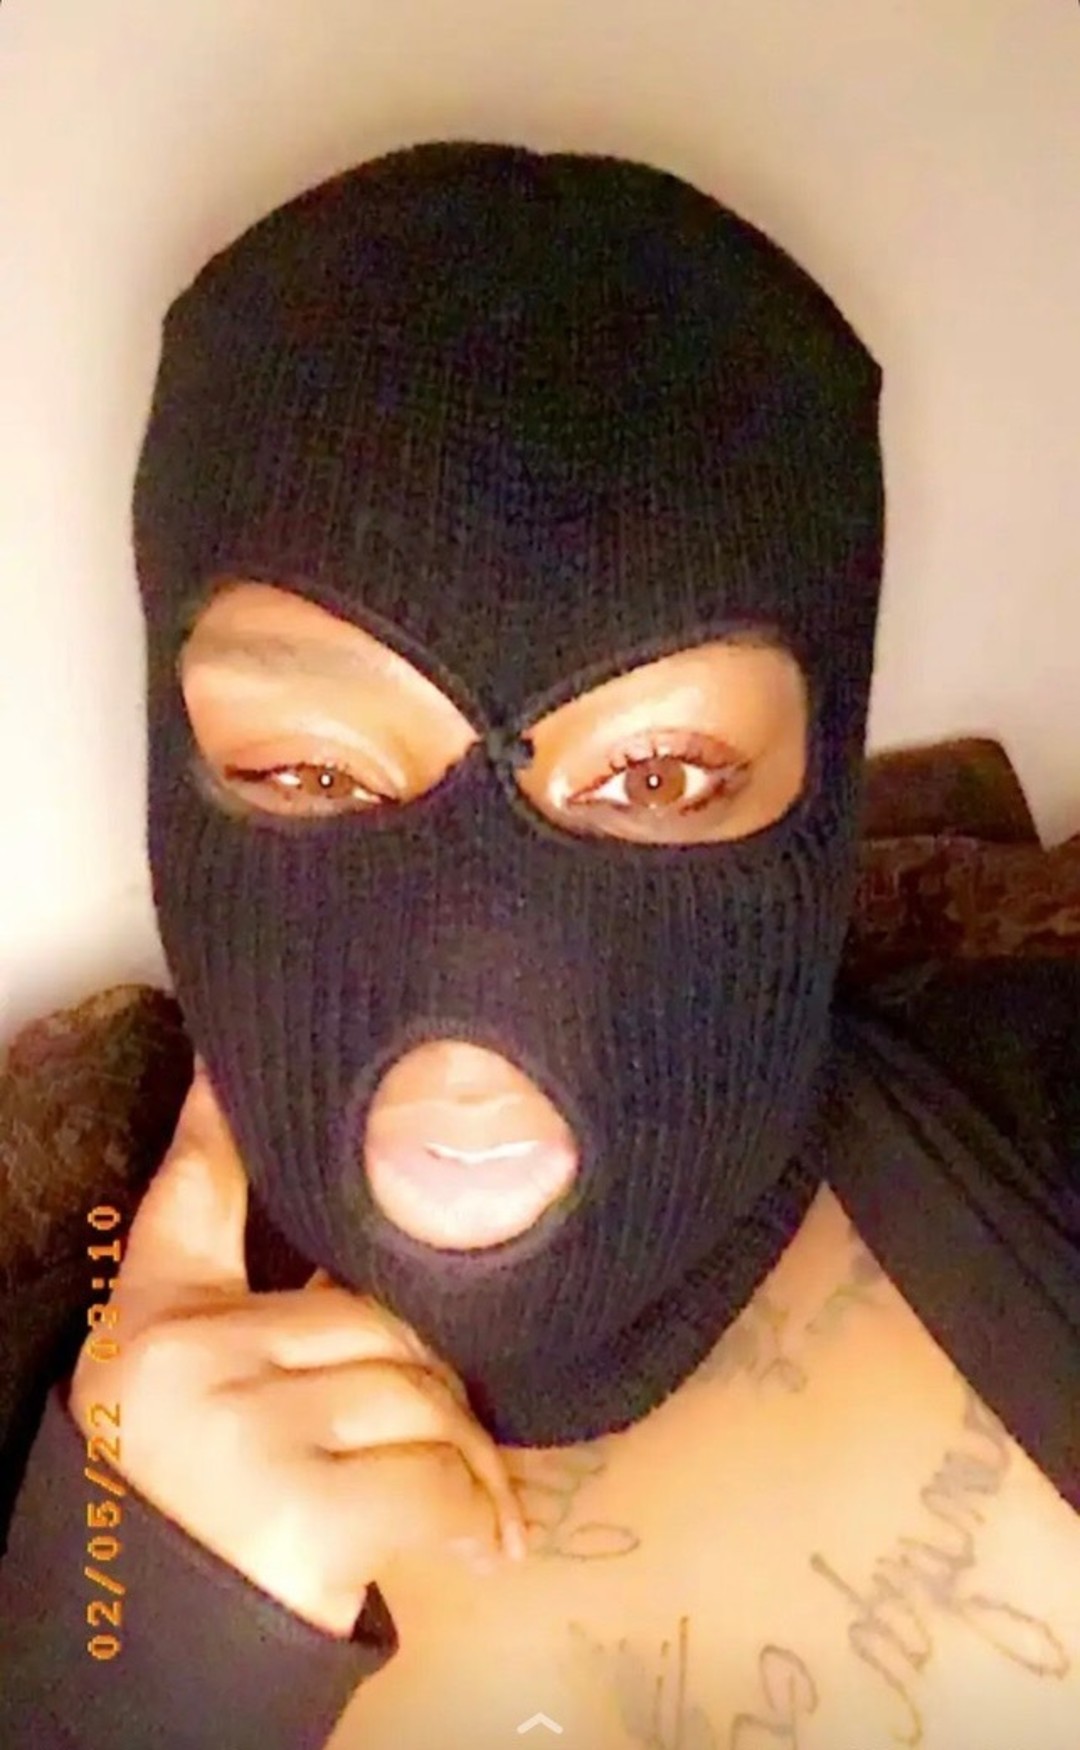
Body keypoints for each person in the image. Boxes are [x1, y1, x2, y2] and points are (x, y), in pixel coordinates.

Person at [0, 140, 1077, 1750]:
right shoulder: (57, 1456)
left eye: (659, 776)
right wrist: (114, 1651)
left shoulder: (1046, 1119)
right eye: (309, 770)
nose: (482, 972)